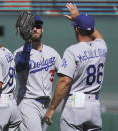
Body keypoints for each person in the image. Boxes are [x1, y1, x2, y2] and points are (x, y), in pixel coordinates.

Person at [44, 3, 107, 131]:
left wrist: (51, 109)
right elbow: (96, 34)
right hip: (94, 105)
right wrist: (79, 19)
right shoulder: (102, 47)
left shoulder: (72, 51)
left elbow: (64, 82)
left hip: (76, 103)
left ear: (77, 29)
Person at [14, 16, 61, 131]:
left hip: (46, 105)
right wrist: (27, 43)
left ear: (42, 29)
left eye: (38, 26)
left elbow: (65, 76)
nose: (35, 29)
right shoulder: (19, 53)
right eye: (31, 27)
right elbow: (21, 66)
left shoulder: (52, 52)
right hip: (28, 103)